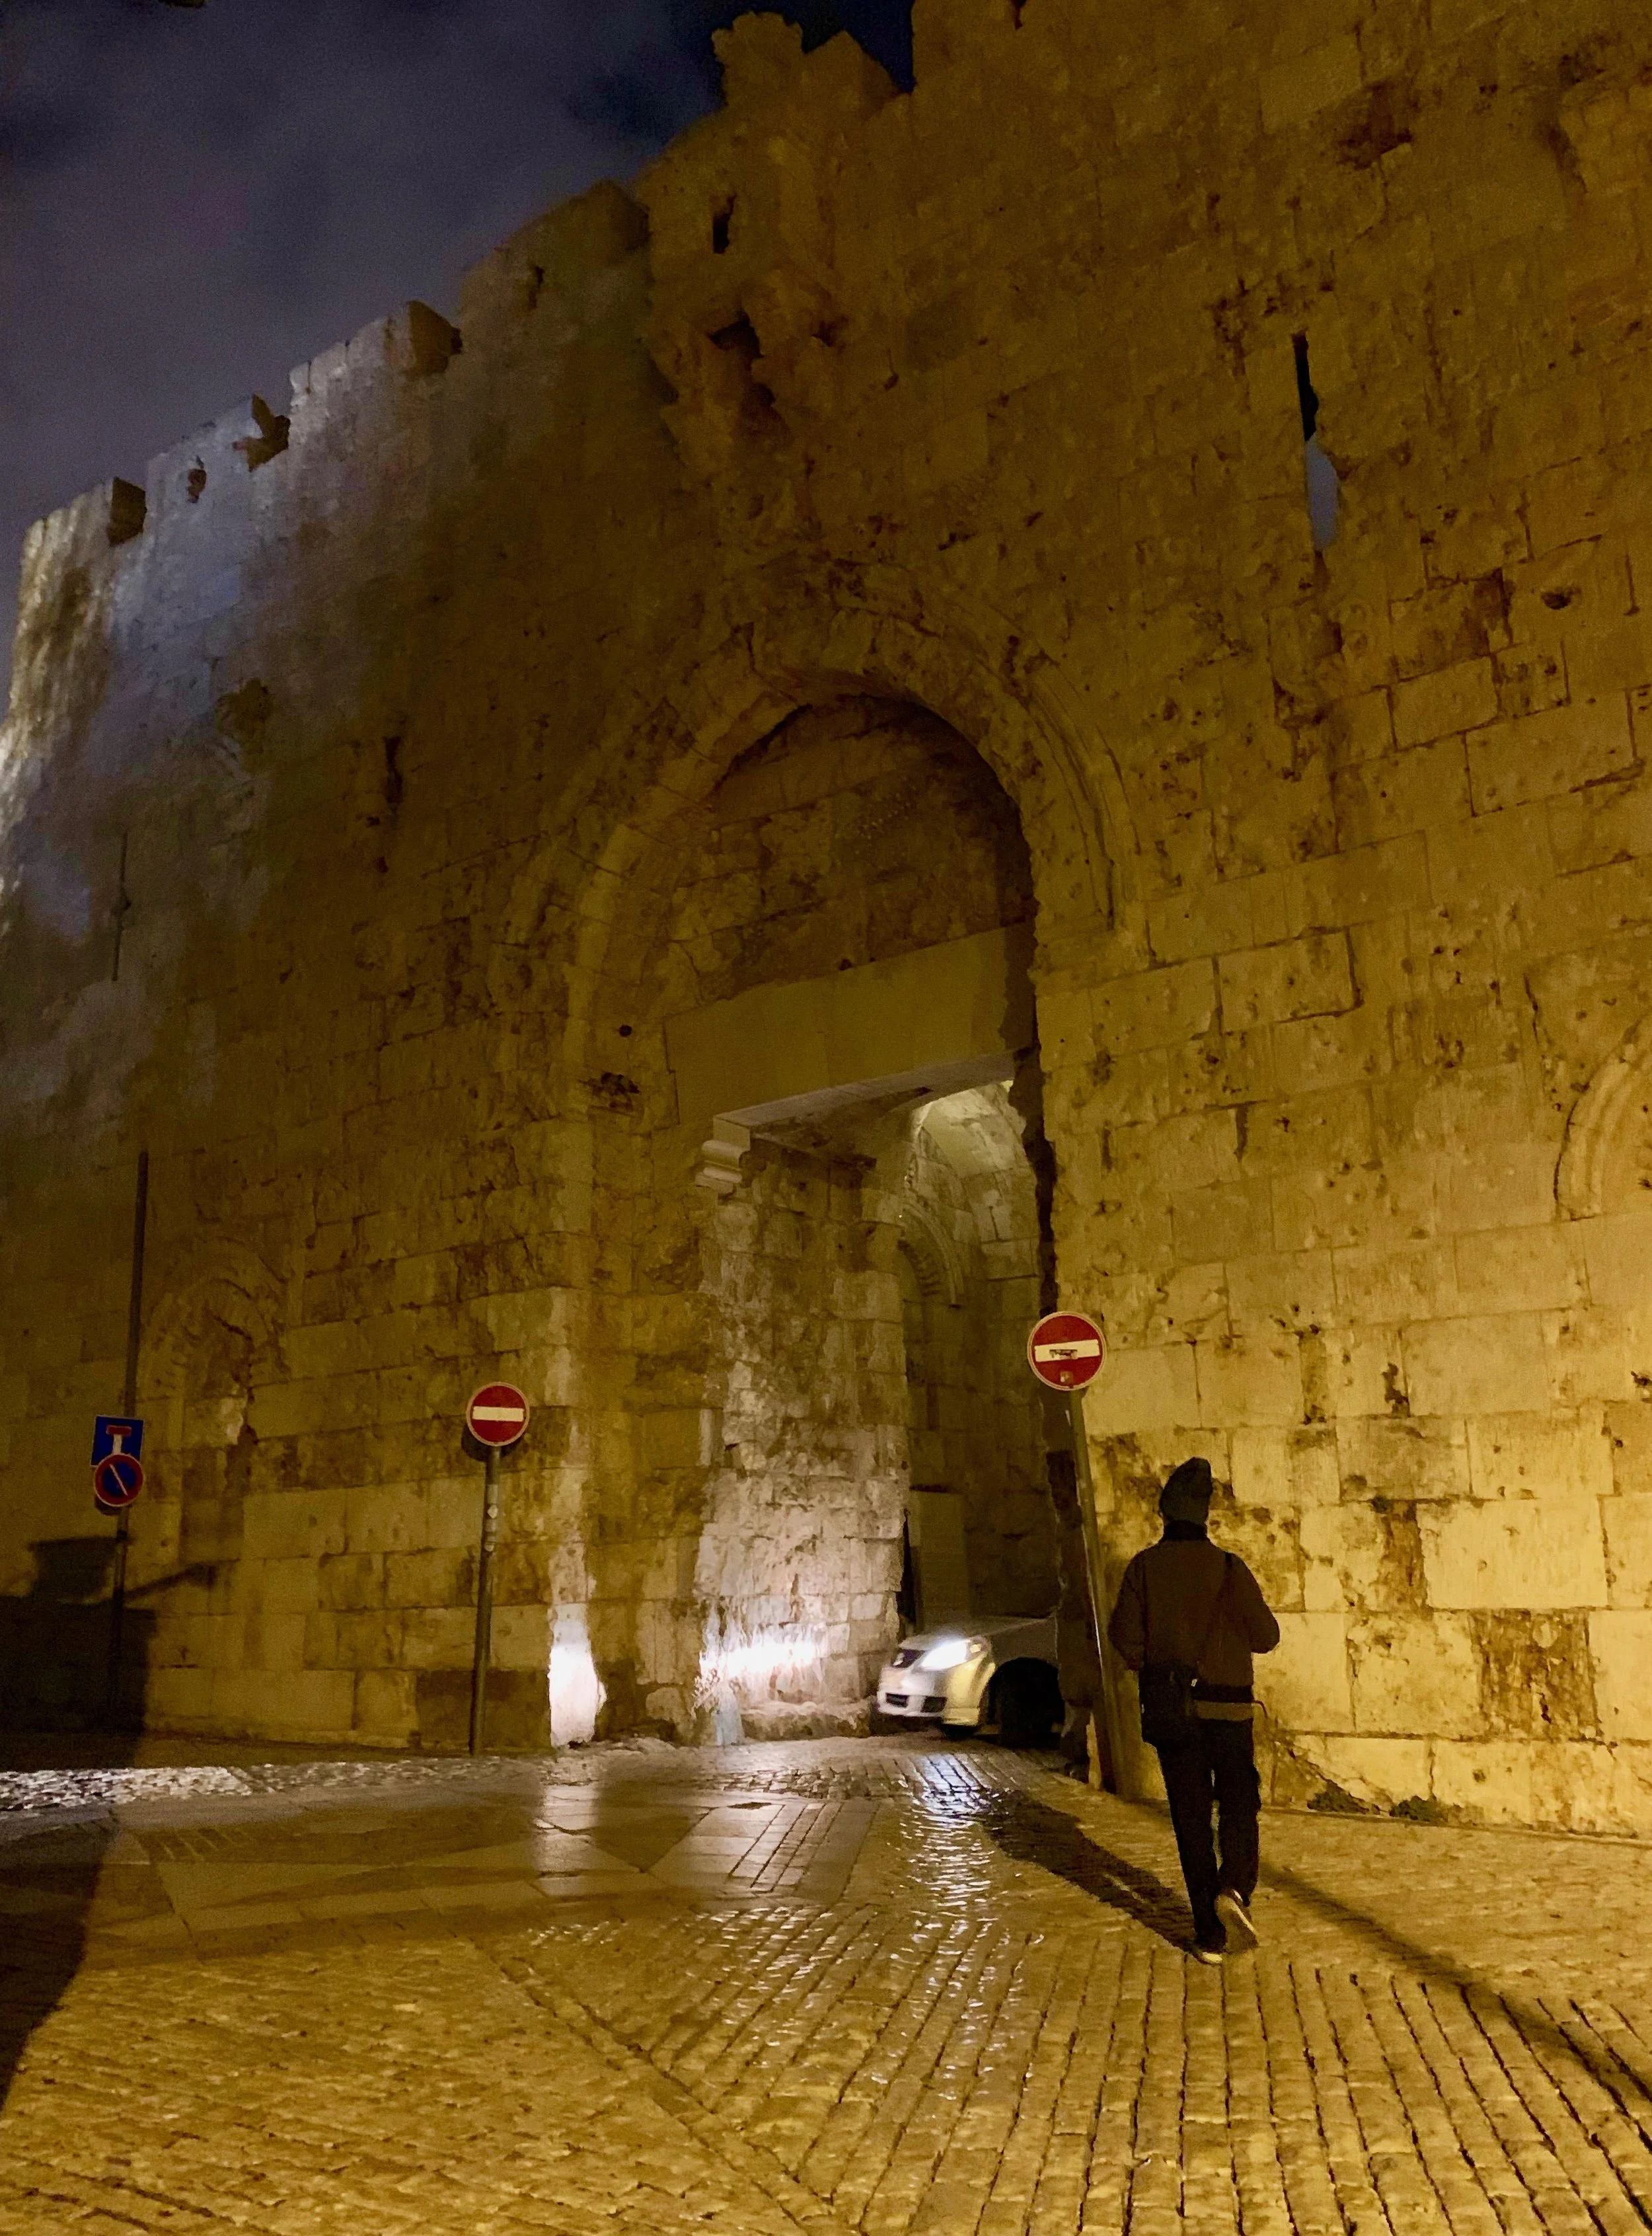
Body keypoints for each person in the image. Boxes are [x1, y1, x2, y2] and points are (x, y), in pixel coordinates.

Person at [1107, 1456, 1280, 1964]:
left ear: (1165, 1513)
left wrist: (1160, 1665)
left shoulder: (1143, 1568)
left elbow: (1125, 1640)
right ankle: (1235, 1889)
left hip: (1173, 1712)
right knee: (1239, 1802)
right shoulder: (1229, 1568)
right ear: (1205, 1514)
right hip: (1228, 1712)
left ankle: (1210, 1934)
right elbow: (1267, 1636)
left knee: (1189, 1818)